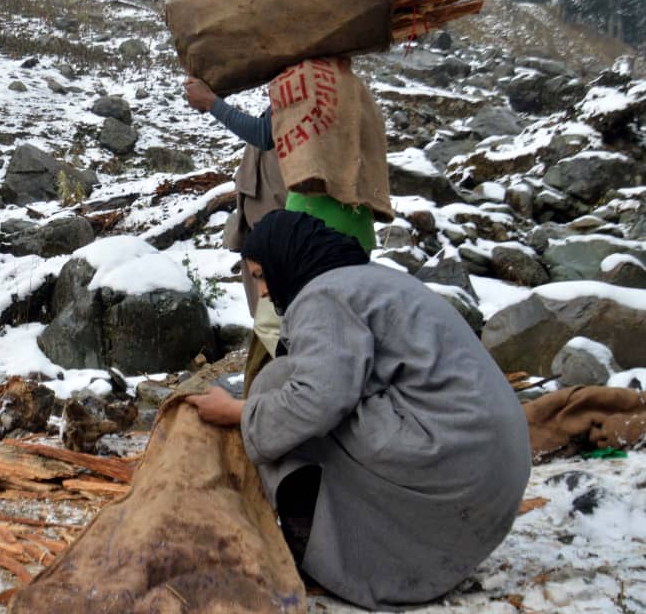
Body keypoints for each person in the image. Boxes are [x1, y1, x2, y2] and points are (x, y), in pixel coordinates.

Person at [187, 211, 531, 610]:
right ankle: (393, 550)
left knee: (275, 383)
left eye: (261, 274)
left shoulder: (321, 296)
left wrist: (237, 413)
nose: (262, 291)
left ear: (287, 258)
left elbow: (317, 399)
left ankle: (317, 547)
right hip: (493, 461)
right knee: (287, 395)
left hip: (454, 457)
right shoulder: (366, 278)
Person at [184, 76, 286, 377]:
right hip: (265, 221)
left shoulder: (302, 83)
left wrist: (212, 103)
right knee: (268, 317)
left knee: (274, 320)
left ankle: (286, 387)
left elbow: (263, 133)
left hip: (276, 226)